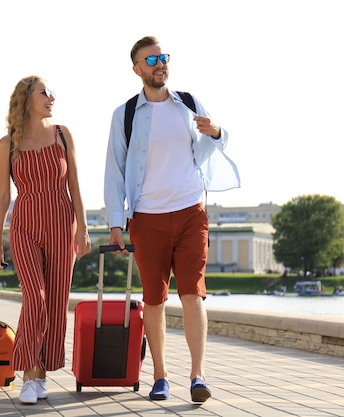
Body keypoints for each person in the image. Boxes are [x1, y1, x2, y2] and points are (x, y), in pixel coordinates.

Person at [104, 36, 240, 403]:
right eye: (151, 60)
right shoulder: (126, 114)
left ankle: (198, 375)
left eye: (163, 57)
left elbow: (214, 140)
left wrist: (216, 132)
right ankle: (160, 377)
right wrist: (116, 223)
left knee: (193, 293)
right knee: (154, 299)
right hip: (147, 217)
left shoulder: (188, 103)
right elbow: (114, 172)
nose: (159, 64)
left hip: (190, 212)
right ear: (137, 69)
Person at [0, 75, 91, 404]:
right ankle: (29, 374)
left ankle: (41, 373)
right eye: (44, 92)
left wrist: (83, 228)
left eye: (52, 93)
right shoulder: (8, 144)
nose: (51, 97)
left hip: (62, 225)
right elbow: (3, 196)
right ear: (26, 98)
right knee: (37, 298)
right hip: (25, 227)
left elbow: (74, 185)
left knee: (56, 303)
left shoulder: (62, 135)